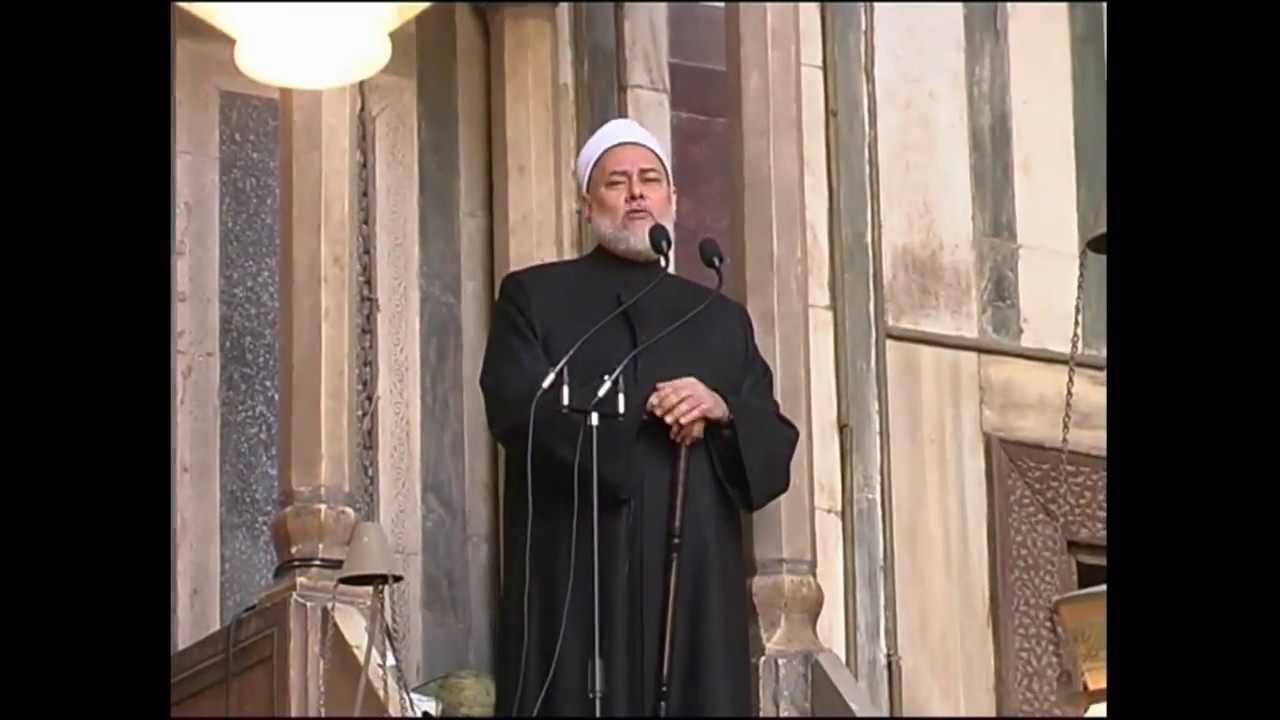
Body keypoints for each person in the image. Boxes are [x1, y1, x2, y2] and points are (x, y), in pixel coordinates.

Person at [479, 117, 799, 717]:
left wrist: (721, 410)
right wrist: (635, 422)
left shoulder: (720, 318)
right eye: (616, 181)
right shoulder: (534, 297)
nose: (635, 194)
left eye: (650, 180)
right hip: (580, 574)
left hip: (693, 584)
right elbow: (516, 407)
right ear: (586, 205)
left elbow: (774, 446)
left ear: (672, 199)